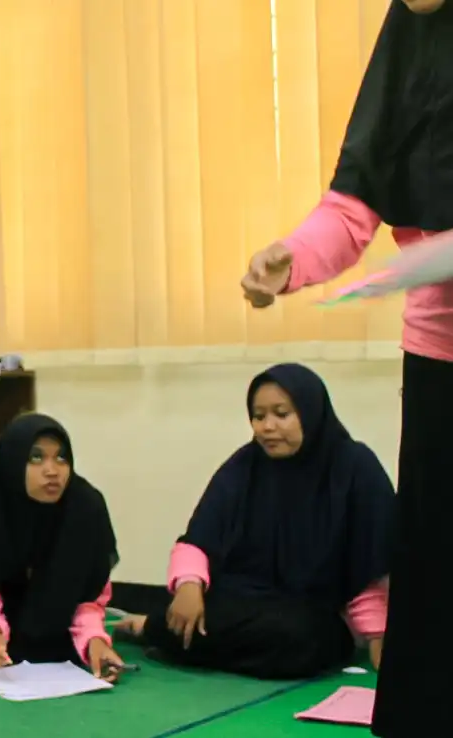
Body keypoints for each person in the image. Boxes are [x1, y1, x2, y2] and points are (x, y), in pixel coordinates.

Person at [238, 0, 449, 729]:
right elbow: (353, 207)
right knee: (435, 572)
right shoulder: (409, 42)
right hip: (439, 358)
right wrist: (289, 260)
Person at [115, 364, 395, 679]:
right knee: (193, 618)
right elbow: (198, 538)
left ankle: (161, 634)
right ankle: (154, 628)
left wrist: (377, 633)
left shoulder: (353, 467)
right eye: (259, 416)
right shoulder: (244, 466)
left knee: (308, 638)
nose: (267, 427)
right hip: (242, 601)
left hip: (312, 612)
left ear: (311, 411)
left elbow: (368, 561)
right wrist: (189, 586)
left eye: (281, 413)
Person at [0, 413, 125, 683]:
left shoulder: (86, 509)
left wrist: (94, 641)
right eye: (36, 458)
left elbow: (89, 597)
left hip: (58, 620)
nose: (52, 471)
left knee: (55, 648)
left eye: (61, 457)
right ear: (13, 462)